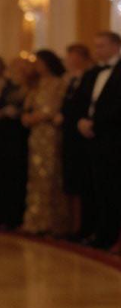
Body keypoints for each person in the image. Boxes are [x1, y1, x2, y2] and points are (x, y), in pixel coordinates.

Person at [77, 31, 121, 250]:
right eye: (95, 46)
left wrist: (96, 123)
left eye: (101, 46)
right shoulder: (93, 72)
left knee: (113, 188)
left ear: (116, 46)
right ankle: (98, 233)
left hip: (113, 138)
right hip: (91, 139)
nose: (97, 51)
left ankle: (111, 235)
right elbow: (81, 101)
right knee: (95, 187)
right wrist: (81, 120)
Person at [20, 49, 70, 236]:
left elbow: (54, 109)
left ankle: (52, 222)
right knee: (35, 175)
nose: (38, 66)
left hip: (50, 133)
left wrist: (37, 117)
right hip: (36, 134)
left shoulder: (58, 82)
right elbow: (28, 105)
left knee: (50, 174)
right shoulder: (37, 83)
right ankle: (35, 219)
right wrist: (26, 117)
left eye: (41, 62)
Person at [0, 55, 29, 230]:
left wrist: (5, 112)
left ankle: (9, 216)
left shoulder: (14, 87)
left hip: (11, 136)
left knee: (9, 175)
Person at [60, 43, 95, 240]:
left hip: (83, 137)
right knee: (72, 182)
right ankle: (74, 227)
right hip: (70, 135)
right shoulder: (71, 79)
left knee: (83, 183)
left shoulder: (89, 76)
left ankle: (83, 227)